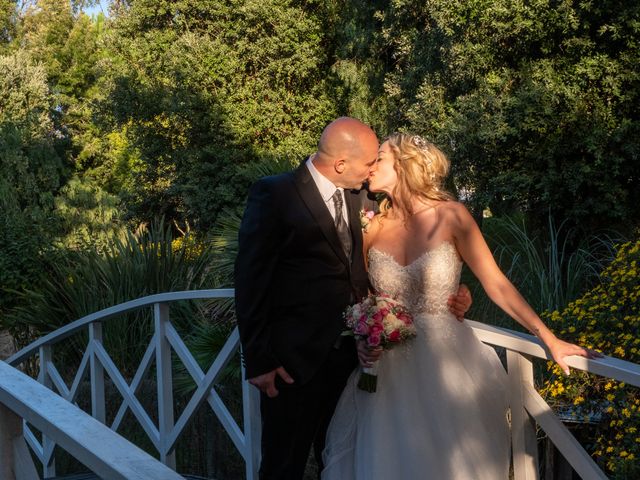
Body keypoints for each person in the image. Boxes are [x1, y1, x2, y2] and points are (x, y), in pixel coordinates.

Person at [322, 133, 600, 479]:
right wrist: (364, 338)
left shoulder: (453, 216)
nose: (370, 167)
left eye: (379, 158)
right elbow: (361, 294)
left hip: (450, 368)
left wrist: (549, 338)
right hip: (389, 373)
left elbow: (496, 282)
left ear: (405, 165)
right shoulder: (373, 227)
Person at [234, 118, 472, 480]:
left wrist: (455, 292)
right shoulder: (275, 194)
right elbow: (251, 280)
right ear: (341, 164)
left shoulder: (360, 196)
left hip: (355, 360)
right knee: (283, 465)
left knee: (344, 462)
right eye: (368, 163)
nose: (372, 170)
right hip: (292, 362)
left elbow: (377, 267)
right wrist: (259, 360)